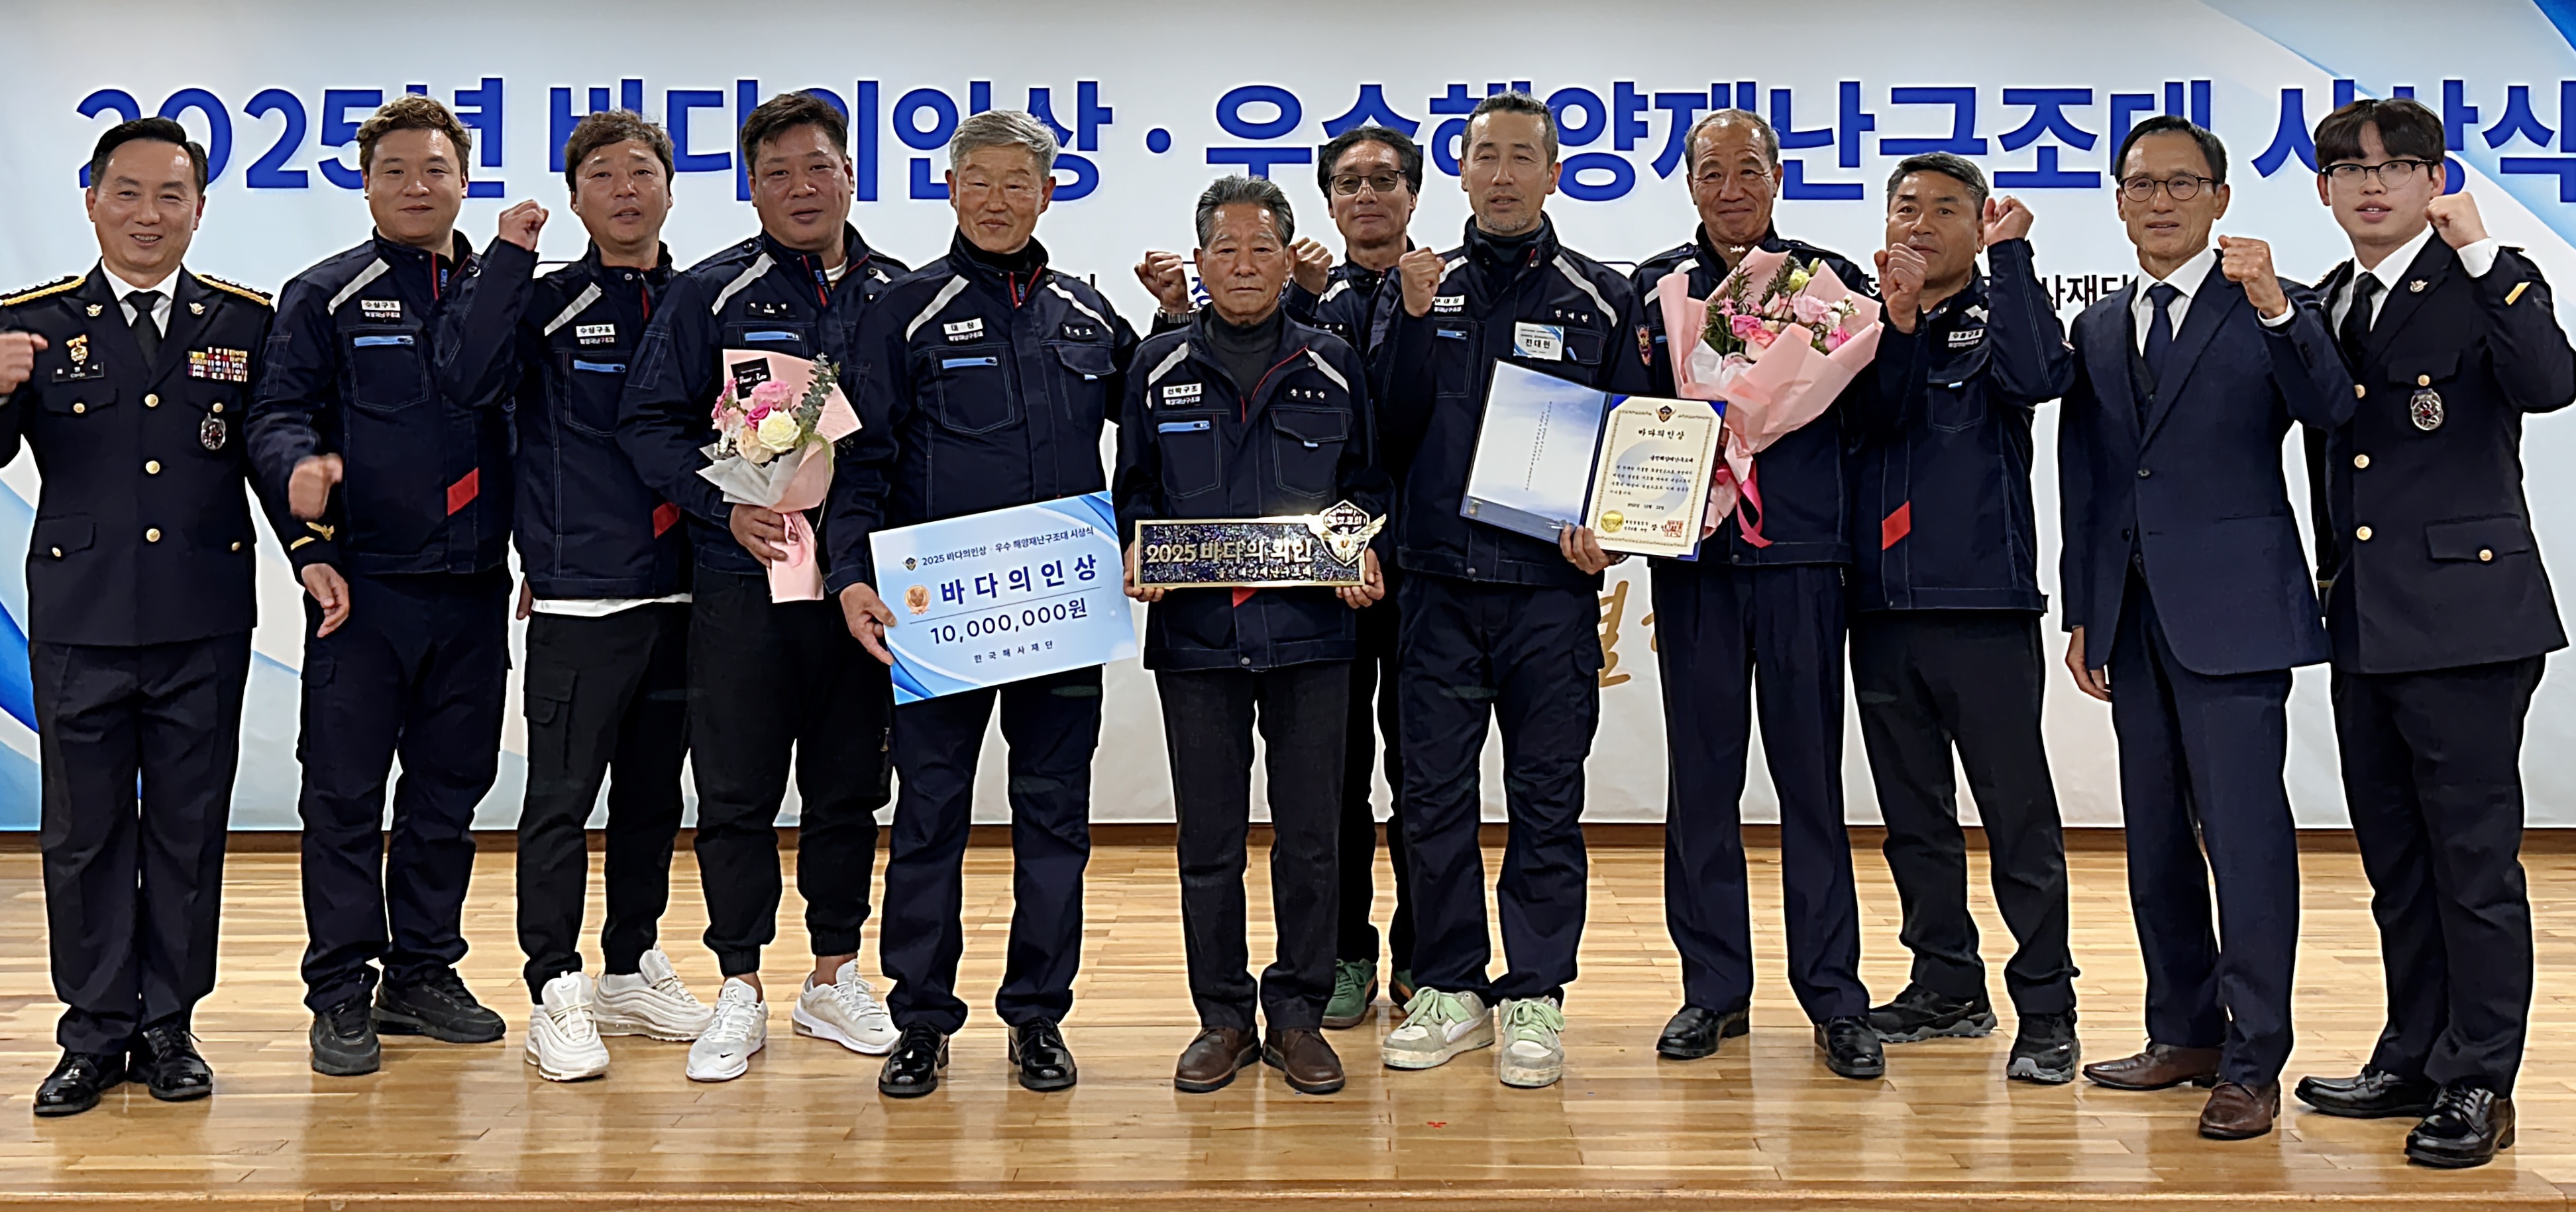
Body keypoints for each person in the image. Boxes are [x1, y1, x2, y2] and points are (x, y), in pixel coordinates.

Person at [830, 110, 1138, 1099]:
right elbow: (859, 461)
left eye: (1019, 183)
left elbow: (1163, 424)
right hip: (939, 612)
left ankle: (1038, 1015)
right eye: (980, 181)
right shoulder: (901, 309)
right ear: (951, 189)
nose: (998, 200)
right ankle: (920, 1019)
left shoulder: (1089, 313)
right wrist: (849, 575)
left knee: (1056, 818)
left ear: (1047, 194)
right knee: (929, 817)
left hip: (1060, 609)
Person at [2057, 115, 2353, 1140]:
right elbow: (2090, 477)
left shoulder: (2266, 302)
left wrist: (2276, 309)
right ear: (2119, 199)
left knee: (2246, 839)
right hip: (2132, 618)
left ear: (2221, 198)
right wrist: (2086, 608)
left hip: (2236, 614)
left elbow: (2331, 408)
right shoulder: (2102, 324)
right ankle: (2182, 1030)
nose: (2161, 201)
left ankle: (2254, 1057)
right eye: (2142, 184)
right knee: (2153, 840)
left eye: (2183, 183)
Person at [2289, 97, 2572, 1169]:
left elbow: (2549, 383)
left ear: (2435, 179)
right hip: (2363, 620)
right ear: (2323, 188)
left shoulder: (2488, 277)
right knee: (2397, 861)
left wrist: (2484, 250)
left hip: (2467, 621)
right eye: (2351, 169)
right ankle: (2413, 1052)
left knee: (2473, 865)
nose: (2373, 184)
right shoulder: (2328, 298)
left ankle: (2480, 1079)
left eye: (2397, 165)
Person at [249, 95, 545, 1078]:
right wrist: (301, 496)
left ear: (463, 179)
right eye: (395, 172)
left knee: (448, 794)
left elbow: (542, 431)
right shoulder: (324, 294)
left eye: (435, 170)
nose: (416, 187)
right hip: (362, 589)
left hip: (474, 586)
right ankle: (340, 987)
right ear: (366, 183)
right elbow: (278, 416)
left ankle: (422, 971)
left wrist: (542, 556)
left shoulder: (506, 287)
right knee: (342, 795)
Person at [618, 91, 910, 1083]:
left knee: (848, 786)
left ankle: (833, 975)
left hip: (861, 588)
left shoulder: (898, 293)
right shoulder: (711, 293)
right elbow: (647, 424)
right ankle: (738, 984)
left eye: (818, 166)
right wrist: (722, 508)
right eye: (777, 172)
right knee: (736, 787)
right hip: (743, 580)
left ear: (850, 176)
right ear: (751, 188)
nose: (800, 187)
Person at [1, 118, 287, 1115]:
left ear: (200, 209)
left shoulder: (246, 324)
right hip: (79, 618)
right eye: (127, 192)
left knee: (186, 828)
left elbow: (272, 451)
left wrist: (317, 548)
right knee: (82, 835)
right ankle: (91, 1032)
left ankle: (169, 1025)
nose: (149, 215)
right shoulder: (31, 323)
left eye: (172, 195)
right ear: (91, 201)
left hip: (202, 616)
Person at [1369, 91, 1647, 1091]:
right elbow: (1384, 429)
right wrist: (1408, 319)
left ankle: (1536, 992)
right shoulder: (1417, 284)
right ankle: (1450, 986)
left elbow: (1638, 441)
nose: (1501, 175)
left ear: (1554, 174)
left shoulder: (1601, 296)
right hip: (1436, 589)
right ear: (1459, 172)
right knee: (1431, 798)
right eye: (1484, 156)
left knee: (1547, 797)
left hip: (1546, 593)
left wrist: (1612, 528)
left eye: (1521, 156)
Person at [1112, 175, 1391, 1095]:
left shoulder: (1332, 361)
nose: (1242, 264)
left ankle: (1300, 1014)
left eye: (1261, 248)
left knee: (1312, 836)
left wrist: (1353, 547)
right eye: (1225, 249)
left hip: (1312, 635)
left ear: (1288, 259)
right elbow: (1136, 490)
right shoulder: (1156, 364)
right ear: (1199, 262)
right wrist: (1139, 545)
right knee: (1210, 840)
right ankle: (1223, 1017)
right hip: (1197, 637)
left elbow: (1368, 484)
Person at [1630, 109, 1883, 1079]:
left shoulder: (1828, 286)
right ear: (1690, 183)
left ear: (1777, 178)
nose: (1730, 188)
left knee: (1812, 781)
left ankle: (1835, 996)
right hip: (1696, 562)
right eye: (1711, 171)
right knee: (1701, 782)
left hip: (1801, 560)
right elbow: (1632, 421)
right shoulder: (1656, 289)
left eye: (1748, 169)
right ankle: (1713, 989)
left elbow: (1866, 412)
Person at [1849, 154, 2080, 1082]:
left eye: (1947, 209)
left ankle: (2049, 1006)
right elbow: (1874, 419)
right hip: (1879, 607)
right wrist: (1898, 319)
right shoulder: (1859, 321)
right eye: (1907, 206)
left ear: (1979, 224)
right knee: (1914, 818)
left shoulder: (2002, 310)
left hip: (1983, 605)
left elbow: (2038, 377)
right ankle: (1945, 983)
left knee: (2018, 818)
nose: (1922, 223)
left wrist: (2013, 259)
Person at [510, 110, 714, 1083]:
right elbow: (471, 394)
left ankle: (630, 964)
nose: (626, 190)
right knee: (559, 800)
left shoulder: (707, 301)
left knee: (651, 798)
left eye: (642, 172)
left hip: (689, 592)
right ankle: (555, 983)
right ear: (576, 197)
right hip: (581, 596)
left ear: (670, 189)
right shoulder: (543, 304)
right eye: (603, 174)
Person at [1304, 125, 1421, 1027]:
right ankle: (1345, 949)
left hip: (1433, 570)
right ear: (1329, 202)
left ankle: (1425, 950)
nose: (1368, 195)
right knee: (1334, 776)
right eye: (1350, 183)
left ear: (1414, 194)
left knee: (1426, 770)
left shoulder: (1452, 289)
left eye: (1385, 180)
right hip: (1326, 570)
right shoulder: (1298, 300)